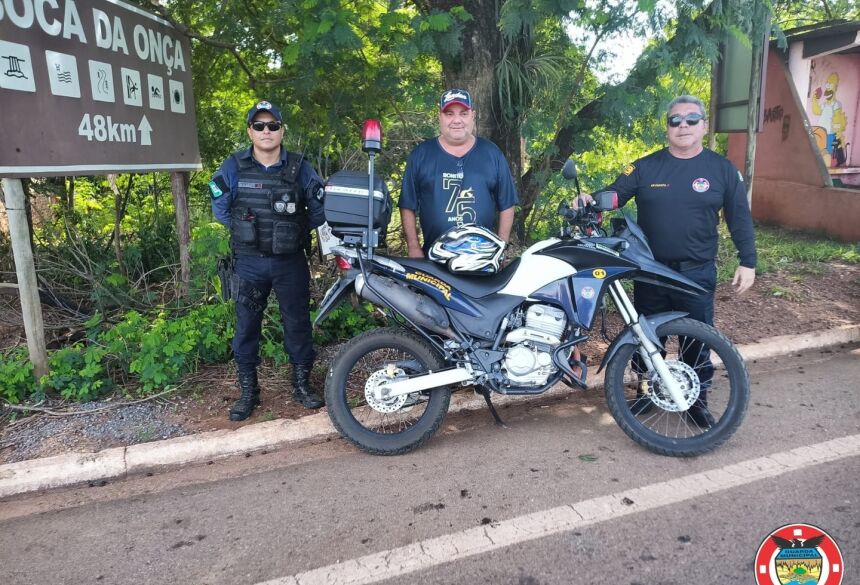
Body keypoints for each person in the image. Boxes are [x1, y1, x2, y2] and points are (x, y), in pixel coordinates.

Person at [584, 94, 757, 428]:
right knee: (647, 340)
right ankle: (648, 394)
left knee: (697, 340)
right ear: (667, 127)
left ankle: (697, 401)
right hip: (651, 271)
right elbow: (615, 193)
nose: (683, 126)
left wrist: (747, 260)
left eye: (691, 119)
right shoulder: (646, 166)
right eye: (675, 120)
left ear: (704, 126)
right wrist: (589, 200)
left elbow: (739, 219)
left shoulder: (722, 170)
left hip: (697, 272)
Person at [209, 100, 326, 421]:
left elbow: (318, 209)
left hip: (290, 262)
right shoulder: (233, 166)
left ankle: (301, 385)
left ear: (281, 130)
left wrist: (293, 229)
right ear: (250, 131)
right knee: (246, 326)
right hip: (249, 263)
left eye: (272, 125)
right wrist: (248, 229)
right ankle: (249, 391)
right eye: (259, 126)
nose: (266, 131)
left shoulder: (300, 167)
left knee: (298, 323)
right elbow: (220, 209)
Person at [399, 89, 519, 257]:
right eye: (449, 114)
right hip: (433, 261)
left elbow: (507, 203)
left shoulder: (492, 154)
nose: (457, 120)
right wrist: (413, 247)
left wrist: (501, 249)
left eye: (463, 113)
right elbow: (407, 204)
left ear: (473, 116)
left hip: (482, 259)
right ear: (439, 116)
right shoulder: (421, 155)